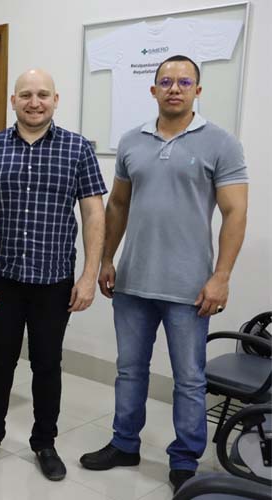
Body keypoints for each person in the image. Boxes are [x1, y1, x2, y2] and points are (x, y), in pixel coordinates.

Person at [79, 55, 249, 493]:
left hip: (190, 288)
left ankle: (184, 461)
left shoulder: (221, 143)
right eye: (167, 82)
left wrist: (222, 276)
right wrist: (107, 259)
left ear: (197, 90)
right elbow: (118, 205)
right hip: (133, 282)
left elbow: (235, 212)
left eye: (184, 82)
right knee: (129, 370)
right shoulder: (132, 141)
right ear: (153, 90)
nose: (175, 88)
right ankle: (124, 444)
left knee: (189, 380)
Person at [0, 69, 107, 481]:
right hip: (3, 278)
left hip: (54, 281)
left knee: (47, 364)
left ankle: (45, 442)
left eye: (43, 94)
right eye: (25, 94)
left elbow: (93, 213)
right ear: (13, 101)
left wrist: (88, 276)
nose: (34, 102)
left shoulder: (77, 149)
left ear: (55, 100)